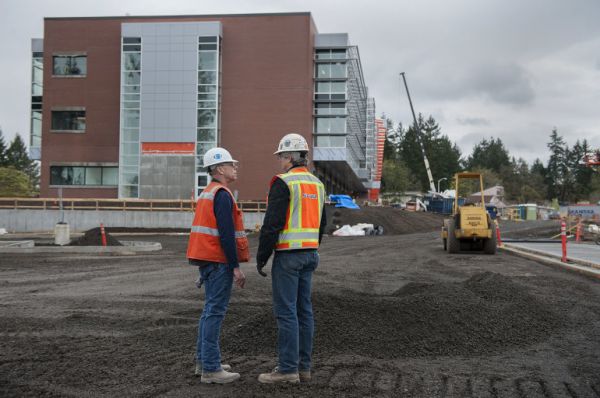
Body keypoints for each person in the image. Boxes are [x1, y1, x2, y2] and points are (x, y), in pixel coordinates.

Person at [256, 133, 327, 384]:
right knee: (304, 312)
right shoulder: (317, 184)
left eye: (281, 157)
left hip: (288, 256)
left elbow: (271, 224)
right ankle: (303, 368)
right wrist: (312, 248)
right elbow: (322, 224)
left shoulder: (283, 182)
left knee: (286, 313)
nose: (279, 162)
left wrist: (262, 257)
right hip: (310, 254)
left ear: (289, 157)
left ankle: (287, 370)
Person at [187, 147, 248, 384]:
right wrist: (235, 267)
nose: (235, 168)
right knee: (215, 312)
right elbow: (226, 234)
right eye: (231, 164)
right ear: (220, 168)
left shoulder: (208, 192)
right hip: (218, 261)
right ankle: (211, 369)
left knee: (209, 312)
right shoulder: (222, 194)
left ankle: (204, 361)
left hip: (207, 260)